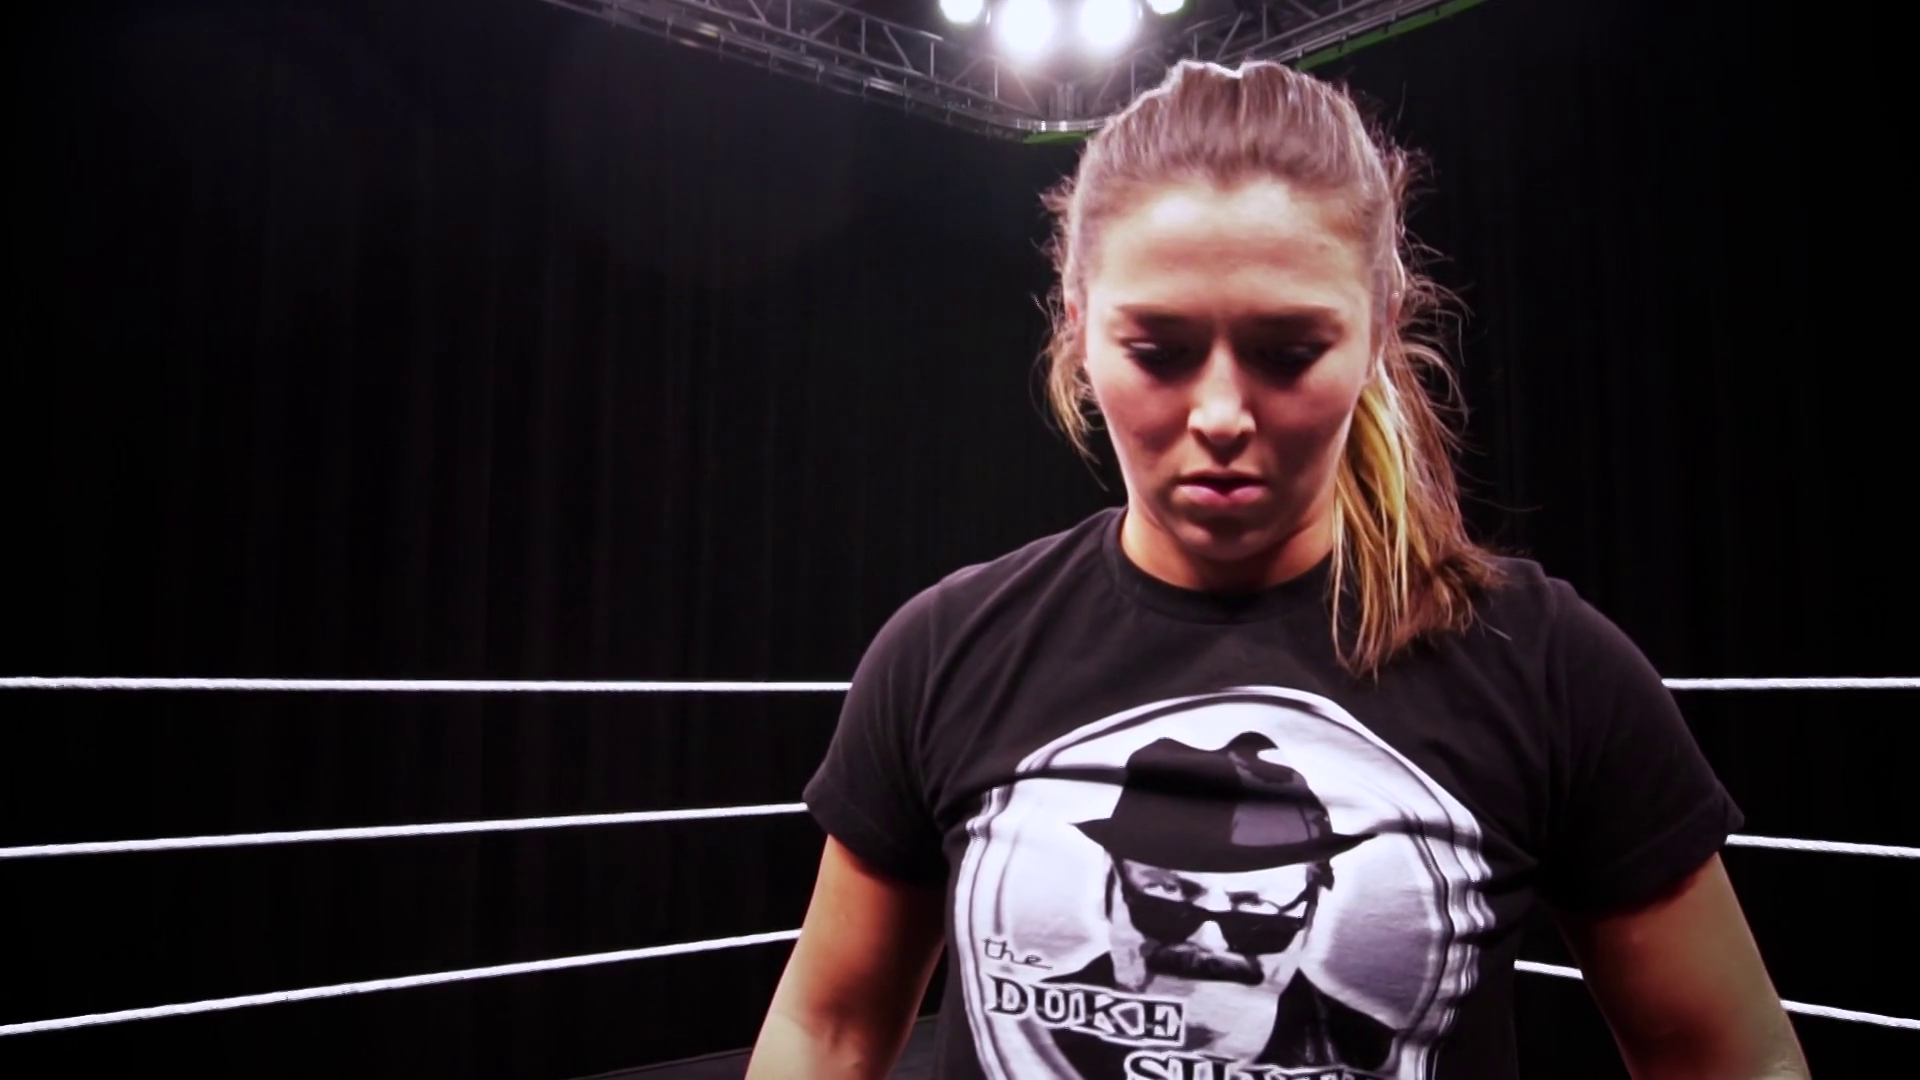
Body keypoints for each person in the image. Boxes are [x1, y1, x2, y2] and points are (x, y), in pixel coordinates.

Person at [745, 59, 1809, 1080]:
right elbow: (827, 1029)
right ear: (1078, 329)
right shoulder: (948, 652)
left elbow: (1728, 1056)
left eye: (1289, 351)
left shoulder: (1542, 669)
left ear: (1380, 330)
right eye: (1158, 350)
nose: (1220, 415)